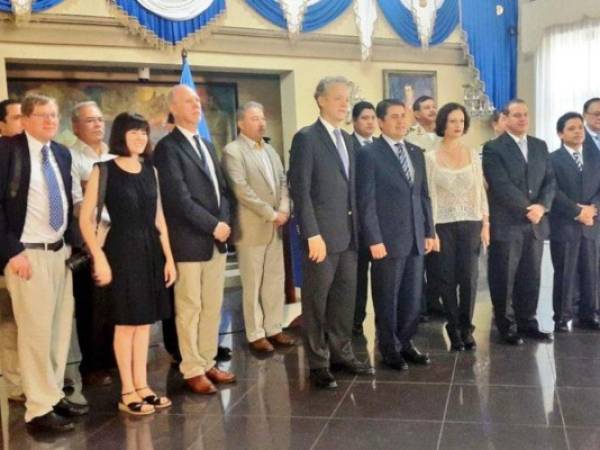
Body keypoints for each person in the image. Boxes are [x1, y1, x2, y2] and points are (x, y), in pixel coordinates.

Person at [0, 94, 88, 432]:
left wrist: (72, 246)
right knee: (35, 333)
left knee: (57, 331)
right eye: (43, 115)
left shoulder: (61, 153)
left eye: (54, 115)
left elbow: (66, 202)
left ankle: (52, 395)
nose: (51, 121)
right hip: (27, 254)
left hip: (59, 252)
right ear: (24, 118)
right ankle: (37, 410)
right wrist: (12, 251)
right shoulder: (8, 151)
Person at [80, 112, 175, 415]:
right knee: (125, 323)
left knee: (144, 323)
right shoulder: (104, 169)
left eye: (144, 132)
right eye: (134, 132)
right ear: (121, 134)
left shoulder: (151, 170)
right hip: (120, 250)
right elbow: (86, 219)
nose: (140, 137)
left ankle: (143, 385)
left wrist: (169, 258)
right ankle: (127, 391)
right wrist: (99, 257)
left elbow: (159, 217)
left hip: (150, 250)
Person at [289, 76, 374, 390]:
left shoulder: (350, 140)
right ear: (320, 100)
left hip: (349, 237)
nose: (343, 103)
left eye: (347, 98)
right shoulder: (307, 138)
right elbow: (301, 190)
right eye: (337, 98)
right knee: (316, 301)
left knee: (344, 301)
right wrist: (311, 234)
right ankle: (318, 362)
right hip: (321, 239)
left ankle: (342, 353)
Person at [153, 85, 235, 395]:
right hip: (189, 242)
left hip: (216, 240)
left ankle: (207, 360)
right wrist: (213, 225)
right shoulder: (167, 148)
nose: (196, 106)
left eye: (198, 101)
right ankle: (191, 368)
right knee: (189, 307)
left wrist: (225, 222)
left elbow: (222, 191)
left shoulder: (206, 144)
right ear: (173, 108)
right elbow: (178, 199)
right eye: (188, 102)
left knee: (212, 306)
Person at [357, 99, 435, 370]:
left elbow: (423, 196)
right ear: (380, 121)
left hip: (415, 237)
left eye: (404, 116)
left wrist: (429, 231)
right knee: (387, 297)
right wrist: (374, 239)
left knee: (412, 298)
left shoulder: (416, 152)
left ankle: (406, 342)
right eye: (394, 117)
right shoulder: (370, 153)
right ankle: (388, 347)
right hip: (386, 241)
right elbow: (366, 201)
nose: (401, 121)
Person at [222, 101, 295, 352]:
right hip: (252, 228)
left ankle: (274, 328)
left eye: (262, 118)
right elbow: (241, 190)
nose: (261, 122)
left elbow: (284, 181)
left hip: (276, 227)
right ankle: (255, 333)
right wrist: (271, 213)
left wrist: (284, 209)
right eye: (255, 118)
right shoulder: (233, 151)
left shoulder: (270, 151)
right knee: (252, 284)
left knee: (274, 280)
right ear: (241, 123)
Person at [482, 98, 555, 345]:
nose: (522, 119)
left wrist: (542, 206)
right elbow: (501, 185)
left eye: (525, 114)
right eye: (516, 115)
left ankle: (528, 322)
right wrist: (528, 208)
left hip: (535, 224)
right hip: (507, 223)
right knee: (504, 276)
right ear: (505, 118)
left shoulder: (539, 145)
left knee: (531, 276)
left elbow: (550, 181)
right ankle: (507, 325)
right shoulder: (494, 148)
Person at [424, 103, 489, 351]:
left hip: (471, 222)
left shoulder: (472, 154)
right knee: (447, 278)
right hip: (443, 224)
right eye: (452, 121)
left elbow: (479, 191)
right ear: (443, 124)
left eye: (461, 121)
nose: (458, 125)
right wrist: (431, 229)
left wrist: (485, 222)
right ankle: (453, 326)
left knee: (469, 277)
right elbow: (429, 195)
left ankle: (466, 327)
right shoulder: (429, 157)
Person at [70, 101, 116, 386]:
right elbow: (77, 203)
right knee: (91, 307)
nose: (98, 125)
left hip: (118, 240)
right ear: (76, 126)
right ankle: (92, 366)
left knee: (114, 303)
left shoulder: (113, 157)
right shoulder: (71, 157)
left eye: (100, 119)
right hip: (90, 240)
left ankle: (113, 359)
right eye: (90, 120)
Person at [550, 112, 600, 332]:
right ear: (561, 133)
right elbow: (553, 191)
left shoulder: (595, 158)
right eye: (571, 128)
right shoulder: (552, 159)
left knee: (591, 271)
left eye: (580, 127)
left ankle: (590, 314)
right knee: (565, 272)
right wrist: (576, 211)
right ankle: (562, 316)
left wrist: (592, 209)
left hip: (592, 223)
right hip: (565, 223)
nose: (578, 131)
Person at [406, 95, 443, 321]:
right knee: (419, 259)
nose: (432, 110)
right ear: (416, 113)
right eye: (426, 107)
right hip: (420, 201)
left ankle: (434, 301)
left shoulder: (443, 136)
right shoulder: (411, 138)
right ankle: (417, 306)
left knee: (438, 261)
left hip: (442, 203)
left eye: (434, 106)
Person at [0, 98, 23, 404]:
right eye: (17, 117)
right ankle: (17, 385)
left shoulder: (33, 154)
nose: (24, 122)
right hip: (7, 256)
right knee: (9, 323)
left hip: (35, 255)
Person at [350, 100, 377, 336]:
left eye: (372, 118)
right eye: (364, 118)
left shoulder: (380, 146)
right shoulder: (347, 145)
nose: (370, 122)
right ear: (354, 121)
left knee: (381, 276)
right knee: (357, 276)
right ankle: (355, 319)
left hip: (380, 223)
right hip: (355, 224)